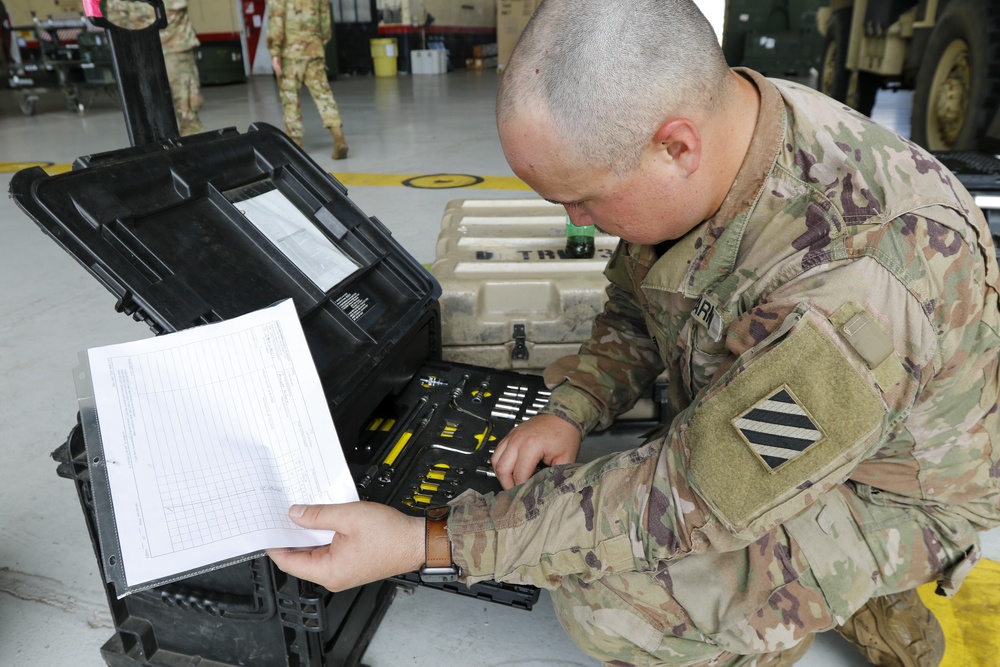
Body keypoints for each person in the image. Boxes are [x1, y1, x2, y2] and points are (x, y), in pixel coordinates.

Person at [268, 1, 1000, 665]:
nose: (578, 224)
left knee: (611, 607)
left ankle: (828, 600)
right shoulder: (727, 129)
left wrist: (430, 541)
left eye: (583, 199)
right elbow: (638, 301)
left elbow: (689, 492)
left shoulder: (865, 284)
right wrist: (574, 403)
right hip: (789, 418)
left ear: (676, 147)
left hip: (888, 486)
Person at [106, 0, 204, 136]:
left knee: (186, 109)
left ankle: (192, 147)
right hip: (141, 53)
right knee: (150, 111)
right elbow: (116, 25)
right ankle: (161, 148)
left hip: (175, 49)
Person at [266, 0, 348, 159]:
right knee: (323, 94)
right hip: (314, 48)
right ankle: (339, 138)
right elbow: (325, 20)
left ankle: (295, 144)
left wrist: (274, 51)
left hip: (290, 52)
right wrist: (319, 43)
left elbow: (276, 18)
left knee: (290, 98)